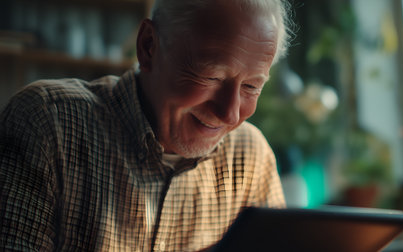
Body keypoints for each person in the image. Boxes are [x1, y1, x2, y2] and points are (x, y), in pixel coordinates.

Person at [0, 0, 294, 251]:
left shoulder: (250, 158)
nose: (230, 114)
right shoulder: (50, 124)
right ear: (149, 46)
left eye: (252, 87)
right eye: (212, 77)